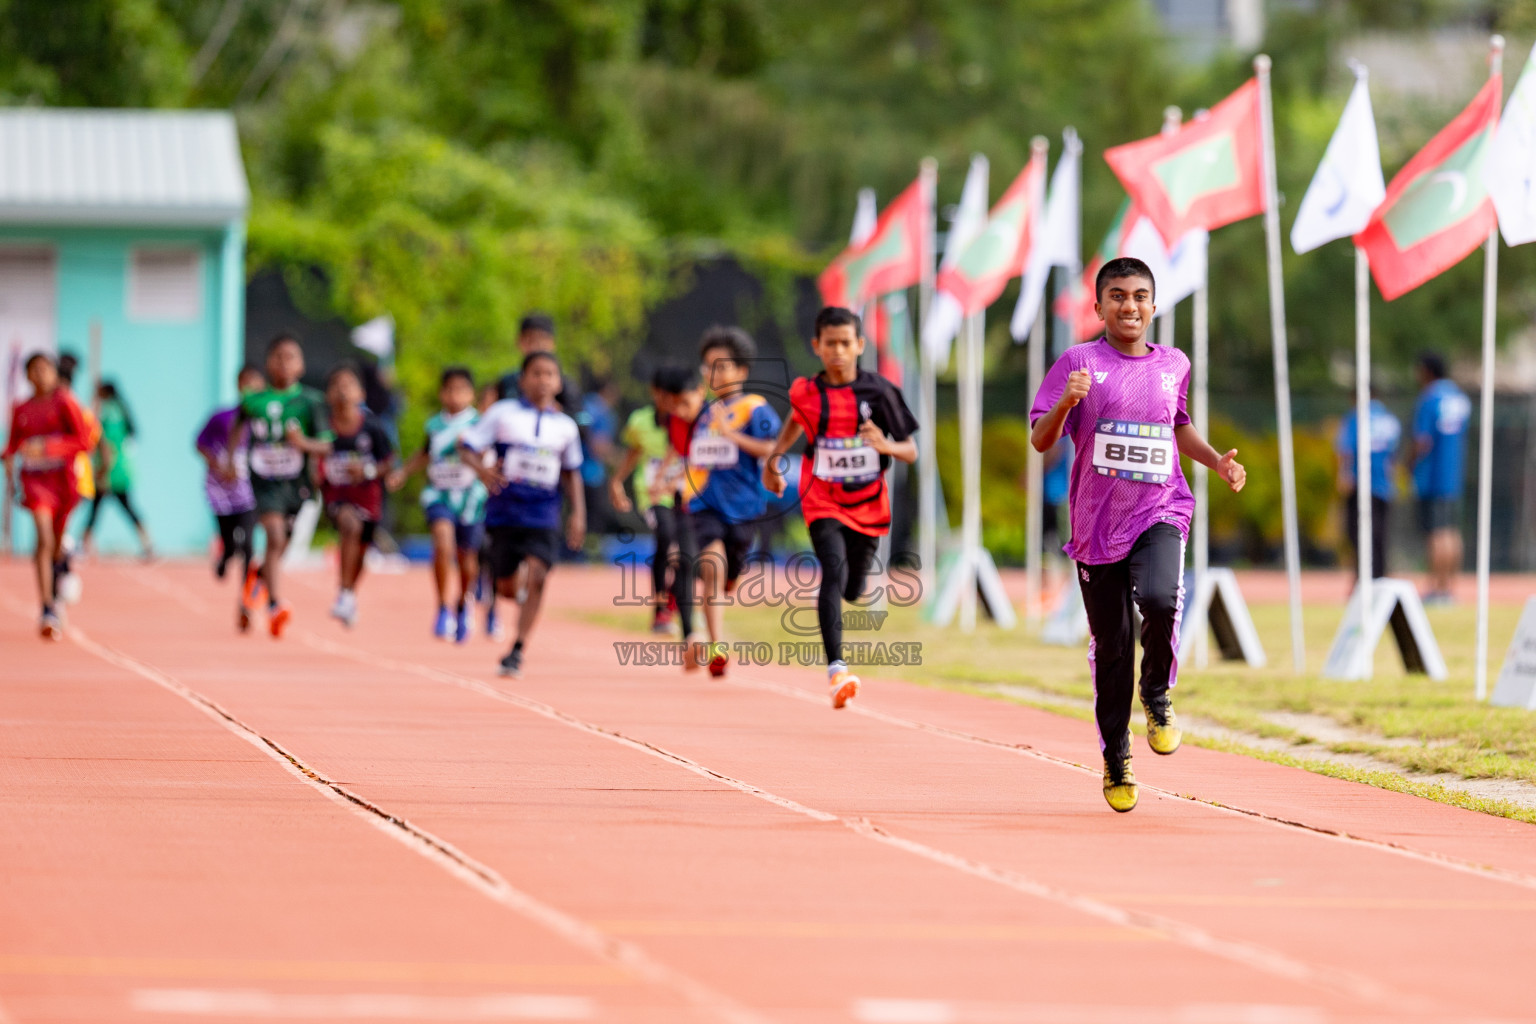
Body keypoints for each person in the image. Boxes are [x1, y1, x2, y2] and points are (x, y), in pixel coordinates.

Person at [1029, 257, 1246, 814]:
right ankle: (1116, 754)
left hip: (1160, 508)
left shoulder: (1174, 363)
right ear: (1098, 306)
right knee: (1113, 646)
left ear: (1154, 305)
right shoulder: (1078, 362)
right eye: (1118, 296)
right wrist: (1066, 403)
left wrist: (1216, 462)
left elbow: (1178, 427)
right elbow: (1039, 438)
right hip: (1096, 526)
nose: (1130, 306)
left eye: (1140, 296)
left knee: (1159, 597)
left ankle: (1156, 693)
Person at [763, 307, 918, 709]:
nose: (838, 351)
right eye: (830, 343)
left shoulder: (879, 392)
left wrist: (885, 446)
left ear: (859, 346)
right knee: (832, 570)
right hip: (821, 497)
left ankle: (855, 586)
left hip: (868, 503)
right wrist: (775, 457)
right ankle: (837, 670)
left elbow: (911, 451)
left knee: (852, 586)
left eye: (846, 343)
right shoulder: (805, 392)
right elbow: (796, 420)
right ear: (817, 346)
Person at [460, 351, 586, 678]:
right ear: (523, 380)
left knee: (540, 575)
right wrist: (482, 472)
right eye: (536, 374)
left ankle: (517, 648)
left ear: (558, 383)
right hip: (505, 511)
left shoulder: (566, 427)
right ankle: (507, 590)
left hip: (543, 511)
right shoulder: (503, 414)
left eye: (550, 375)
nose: (543, 381)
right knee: (505, 587)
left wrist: (578, 515)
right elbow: (466, 446)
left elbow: (572, 472)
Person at [676, 326, 781, 677]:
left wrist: (732, 434)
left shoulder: (755, 408)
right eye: (708, 367)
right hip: (705, 504)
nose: (713, 374)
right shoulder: (703, 414)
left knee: (728, 572)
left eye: (721, 366)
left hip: (745, 507)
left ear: (741, 371)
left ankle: (727, 584)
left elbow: (771, 447)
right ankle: (717, 644)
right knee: (713, 565)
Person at [230, 333, 327, 638]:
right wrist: (230, 461)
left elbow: (326, 445)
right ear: (269, 363)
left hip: (297, 484)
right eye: (278, 357)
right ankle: (274, 605)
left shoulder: (311, 402)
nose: (284, 363)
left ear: (300, 365)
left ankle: (256, 578)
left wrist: (302, 443)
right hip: (264, 482)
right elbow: (237, 428)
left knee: (281, 543)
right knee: (273, 535)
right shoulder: (253, 400)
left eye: (291, 357)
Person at [288, 363, 395, 628]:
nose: (342, 391)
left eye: (348, 385)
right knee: (349, 524)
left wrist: (368, 469)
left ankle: (348, 592)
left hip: (368, 497)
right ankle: (345, 593)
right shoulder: (324, 425)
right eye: (336, 386)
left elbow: (388, 461)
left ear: (361, 393)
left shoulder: (372, 427)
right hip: (337, 495)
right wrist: (311, 461)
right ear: (328, 395)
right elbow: (323, 448)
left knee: (361, 552)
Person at [387, 366, 488, 642]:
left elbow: (488, 456)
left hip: (470, 498)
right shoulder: (434, 425)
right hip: (439, 494)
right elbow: (424, 453)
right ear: (442, 394)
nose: (455, 396)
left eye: (461, 390)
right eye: (450, 390)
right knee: (442, 546)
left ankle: (463, 602)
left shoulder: (480, 424)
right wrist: (403, 472)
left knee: (468, 558)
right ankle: (442, 606)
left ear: (471, 394)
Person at [2, 353, 94, 638]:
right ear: (27, 376)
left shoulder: (65, 402)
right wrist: (8, 458)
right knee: (42, 537)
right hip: (35, 482)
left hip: (63, 483)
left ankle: (61, 567)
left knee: (54, 542)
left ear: (55, 374)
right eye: (35, 370)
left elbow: (84, 441)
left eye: (46, 369)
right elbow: (14, 444)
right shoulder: (21, 408)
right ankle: (47, 608)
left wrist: (48, 448)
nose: (41, 375)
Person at [609, 368, 686, 634]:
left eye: (676, 396)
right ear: (654, 393)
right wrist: (617, 481)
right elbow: (634, 451)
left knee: (687, 552)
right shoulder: (640, 421)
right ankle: (660, 611)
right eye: (665, 395)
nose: (671, 402)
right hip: (652, 493)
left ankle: (673, 601)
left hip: (685, 491)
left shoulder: (689, 418)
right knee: (666, 537)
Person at [195, 365, 265, 631]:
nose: (250, 389)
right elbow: (199, 443)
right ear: (238, 385)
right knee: (230, 541)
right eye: (245, 383)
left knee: (247, 545)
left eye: (256, 384)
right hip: (222, 489)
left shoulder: (264, 423)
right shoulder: (222, 417)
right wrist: (219, 465)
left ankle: (245, 602)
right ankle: (225, 555)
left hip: (250, 491)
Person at [1411, 353, 1470, 604]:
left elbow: (1422, 441)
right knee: (1451, 532)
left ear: (1427, 371)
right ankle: (1448, 587)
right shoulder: (1459, 398)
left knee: (1436, 533)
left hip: (1432, 476)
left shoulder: (1430, 398)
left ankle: (1436, 587)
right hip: (1453, 474)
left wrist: (1407, 463)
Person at [1335, 386, 1401, 586]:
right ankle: (1379, 578)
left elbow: (1345, 449)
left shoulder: (1356, 418)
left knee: (1356, 533)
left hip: (1360, 484)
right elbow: (1393, 454)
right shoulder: (1390, 420)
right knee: (1380, 535)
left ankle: (1363, 577)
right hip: (1383, 486)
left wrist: (1343, 474)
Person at [81, 380, 153, 558]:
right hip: (120, 468)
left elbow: (106, 444)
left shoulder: (106, 411)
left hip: (109, 469)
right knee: (124, 508)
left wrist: (104, 469)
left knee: (96, 510)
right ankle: (147, 543)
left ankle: (84, 546)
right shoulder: (121, 409)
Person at [51, 352, 99, 604]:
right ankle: (62, 573)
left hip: (74, 480)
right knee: (51, 535)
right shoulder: (48, 408)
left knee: (58, 533)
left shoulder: (76, 408)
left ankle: (66, 570)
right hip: (48, 480)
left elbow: (90, 439)